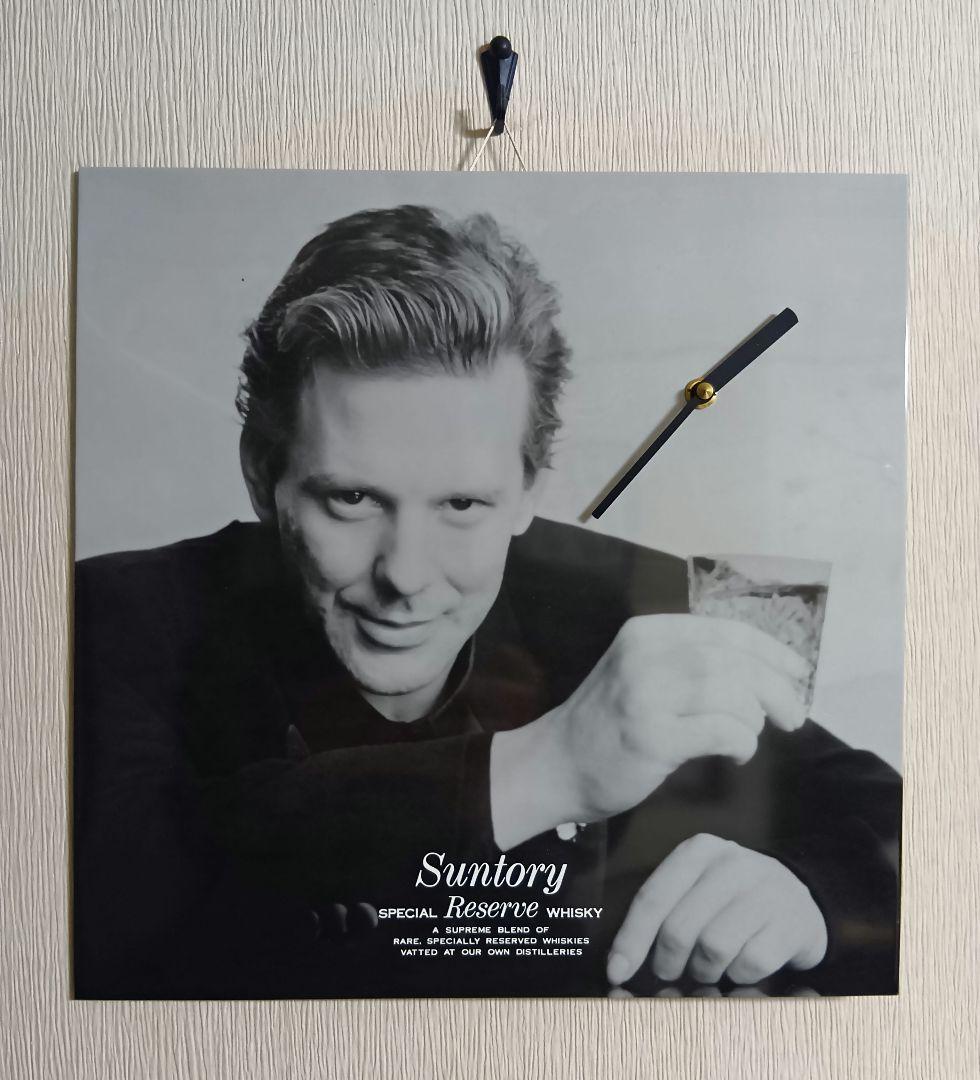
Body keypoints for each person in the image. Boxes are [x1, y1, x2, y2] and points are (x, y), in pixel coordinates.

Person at [73, 206, 900, 999]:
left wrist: (810, 898)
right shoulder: (110, 613)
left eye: (463, 504)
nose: (406, 574)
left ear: (529, 490)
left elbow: (897, 824)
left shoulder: (626, 593)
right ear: (264, 475)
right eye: (352, 499)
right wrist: (544, 768)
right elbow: (112, 910)